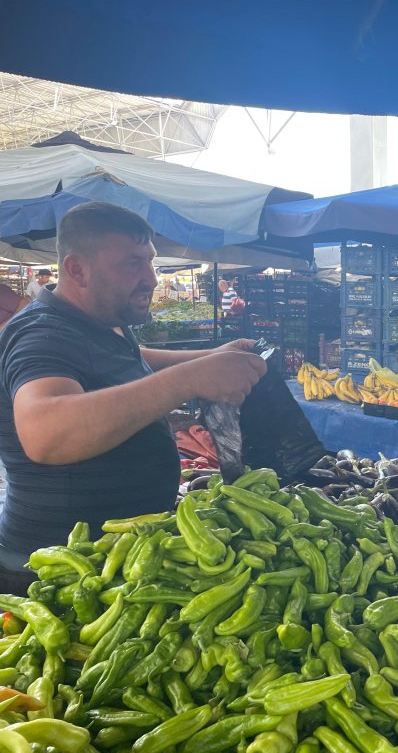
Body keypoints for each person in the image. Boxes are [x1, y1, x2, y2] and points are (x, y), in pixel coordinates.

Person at [0, 202, 268, 594]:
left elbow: (127, 362)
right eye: (132, 264)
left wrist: (214, 356)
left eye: (150, 262)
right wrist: (190, 378)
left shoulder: (99, 323)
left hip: (113, 563)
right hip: (60, 576)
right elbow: (45, 433)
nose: (151, 279)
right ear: (77, 270)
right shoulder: (41, 334)